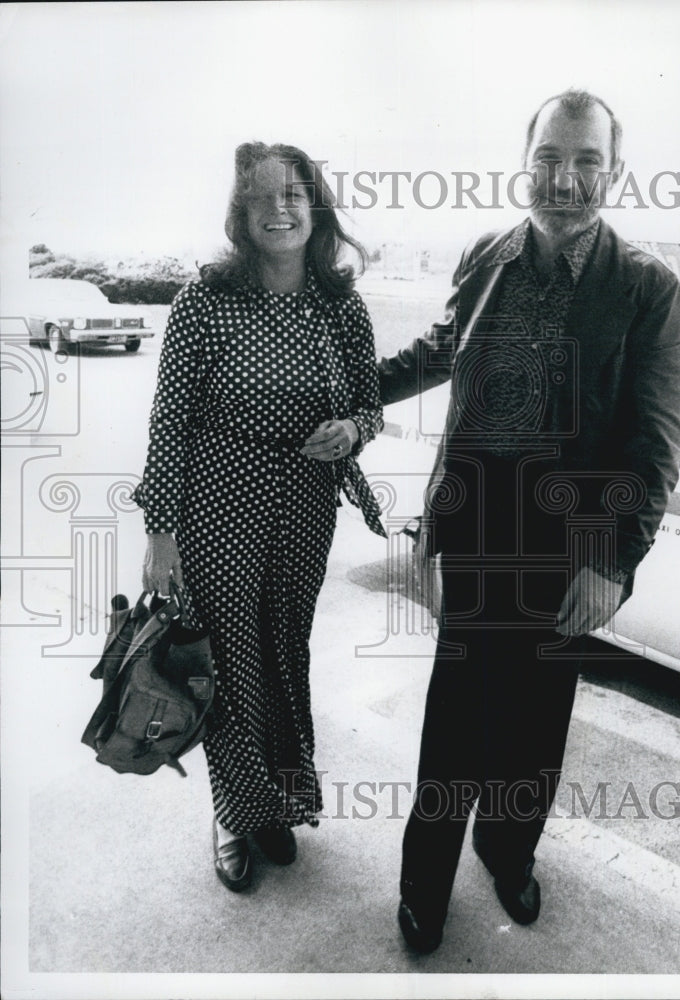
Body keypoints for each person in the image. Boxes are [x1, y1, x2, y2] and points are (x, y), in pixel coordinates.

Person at [378, 89, 680, 951]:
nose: (564, 178)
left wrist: (610, 560)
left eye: (586, 160)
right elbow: (440, 351)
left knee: (533, 720)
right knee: (452, 719)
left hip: (569, 543)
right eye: (549, 158)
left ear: (613, 173)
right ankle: (422, 888)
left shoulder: (645, 288)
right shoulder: (488, 255)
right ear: (525, 163)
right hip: (476, 523)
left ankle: (508, 852)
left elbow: (655, 442)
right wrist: (352, 395)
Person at [134, 141, 384, 892]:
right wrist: (160, 533)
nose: (280, 209)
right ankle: (234, 813)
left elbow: (368, 404)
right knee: (231, 660)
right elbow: (169, 421)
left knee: (284, 653)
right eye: (262, 198)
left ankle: (276, 798)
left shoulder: (341, 306)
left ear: (316, 209)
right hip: (216, 504)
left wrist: (352, 430)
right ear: (240, 215)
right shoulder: (202, 303)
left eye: (294, 195)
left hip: (305, 509)